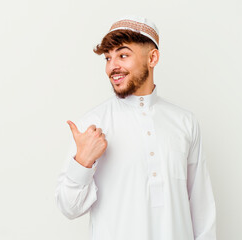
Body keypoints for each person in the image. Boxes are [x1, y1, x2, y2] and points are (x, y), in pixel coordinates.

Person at [55, 16, 217, 240]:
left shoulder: (184, 122)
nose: (112, 67)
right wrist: (83, 162)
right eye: (108, 58)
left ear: (153, 57)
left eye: (123, 55)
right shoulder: (91, 125)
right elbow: (68, 208)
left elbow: (201, 206)